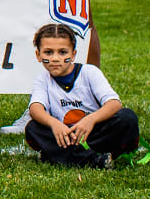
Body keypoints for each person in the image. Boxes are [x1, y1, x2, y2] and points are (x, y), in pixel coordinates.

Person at [25, 23, 138, 169]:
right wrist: (54, 123)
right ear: (38, 55)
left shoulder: (90, 72)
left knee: (127, 118)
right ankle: (94, 160)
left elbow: (114, 104)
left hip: (93, 132)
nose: (55, 58)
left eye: (62, 52)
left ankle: (58, 155)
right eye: (48, 52)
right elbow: (35, 109)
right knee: (33, 129)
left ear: (73, 54)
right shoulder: (43, 79)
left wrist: (90, 120)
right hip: (65, 136)